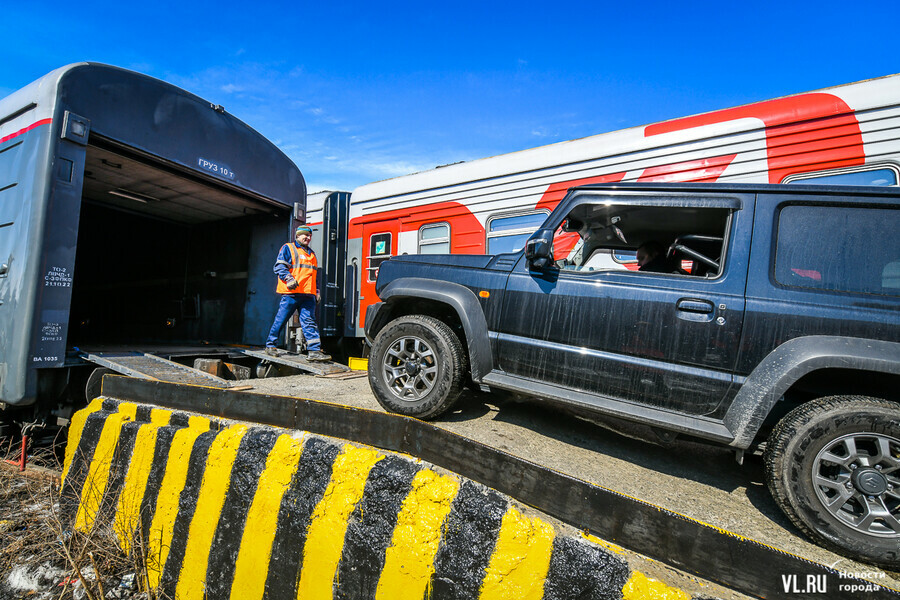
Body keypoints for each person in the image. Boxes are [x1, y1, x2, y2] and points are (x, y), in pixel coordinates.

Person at [265, 225, 331, 361]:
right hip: (292, 293)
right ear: (297, 236)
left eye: (309, 235)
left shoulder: (311, 254)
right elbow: (279, 266)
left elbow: (313, 275)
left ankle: (314, 351)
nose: (307, 237)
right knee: (281, 320)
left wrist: (317, 291)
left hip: (308, 295)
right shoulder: (288, 248)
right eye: (304, 235)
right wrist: (288, 278)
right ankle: (270, 345)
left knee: (309, 322)